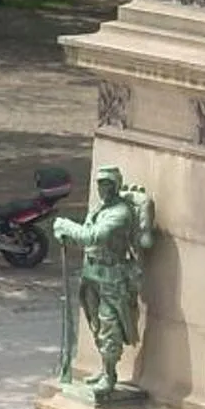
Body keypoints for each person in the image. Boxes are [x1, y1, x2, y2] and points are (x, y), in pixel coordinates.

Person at [53, 164, 153, 396]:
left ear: (116, 186)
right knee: (95, 323)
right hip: (92, 274)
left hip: (112, 278)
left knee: (109, 325)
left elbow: (94, 237)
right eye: (100, 184)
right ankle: (104, 367)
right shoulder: (100, 209)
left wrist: (66, 225)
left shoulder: (120, 213)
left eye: (107, 184)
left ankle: (109, 375)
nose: (103, 188)